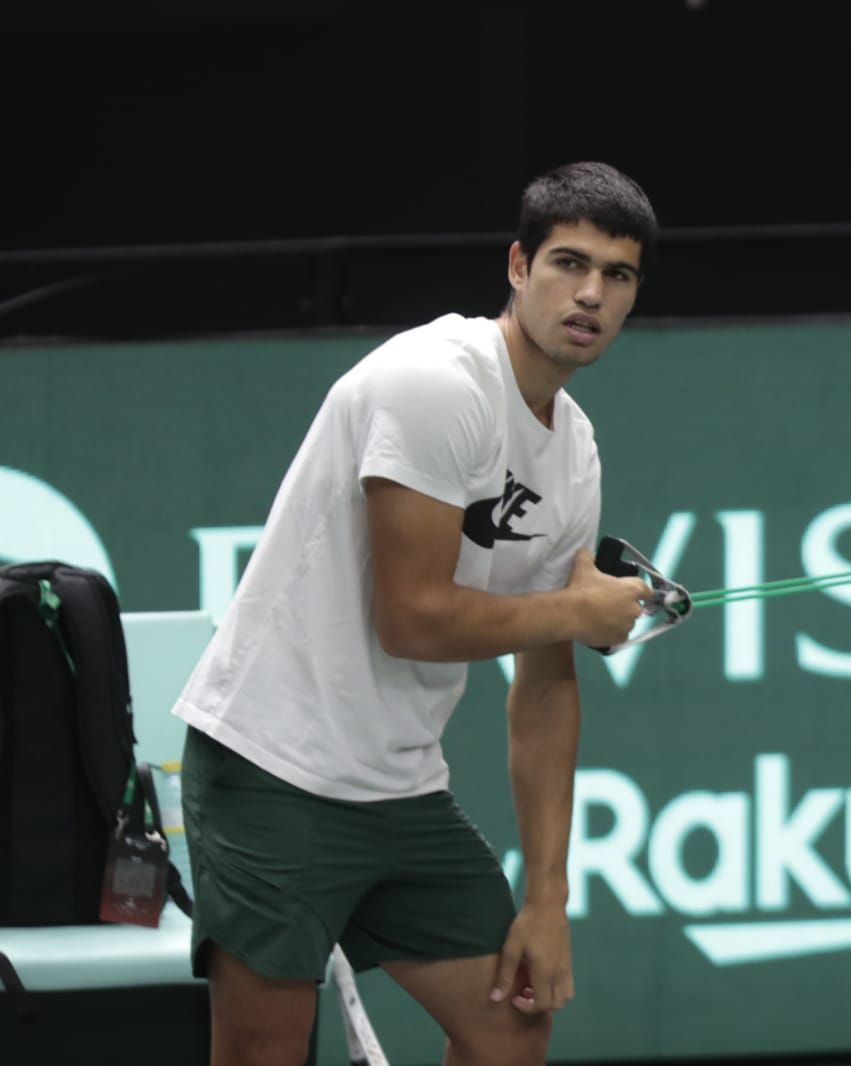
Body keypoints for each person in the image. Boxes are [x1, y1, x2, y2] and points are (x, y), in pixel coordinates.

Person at [172, 161, 655, 1066]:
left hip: (398, 790)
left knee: (510, 1029)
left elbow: (546, 689)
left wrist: (546, 899)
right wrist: (570, 607)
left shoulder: (575, 452)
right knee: (265, 1053)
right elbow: (414, 620)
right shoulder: (434, 383)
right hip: (273, 770)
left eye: (617, 275)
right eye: (568, 263)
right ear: (517, 266)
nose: (590, 293)